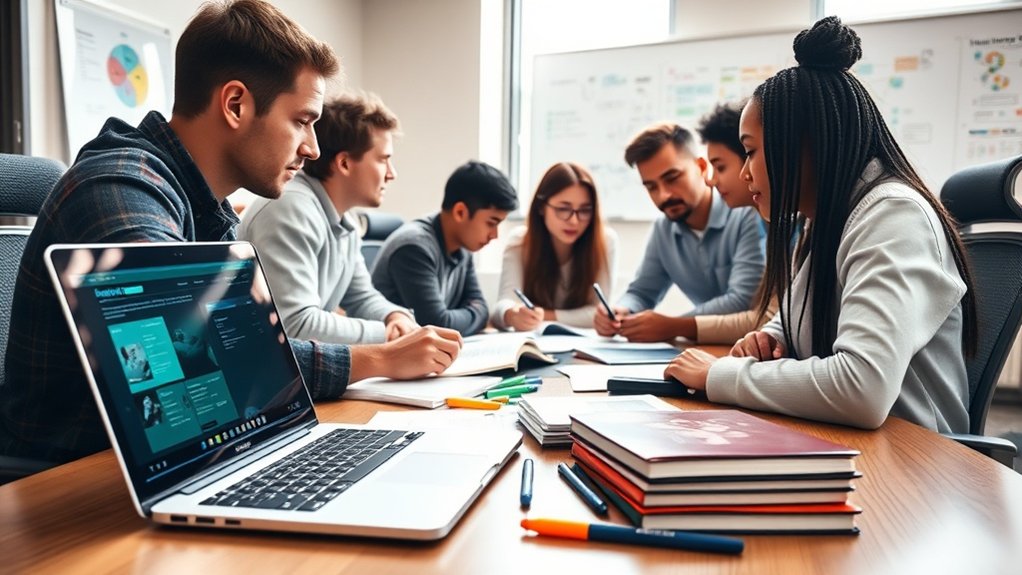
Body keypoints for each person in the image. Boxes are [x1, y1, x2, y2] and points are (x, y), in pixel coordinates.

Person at [0, 0, 461, 466]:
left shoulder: (211, 212)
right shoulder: (119, 187)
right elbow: (197, 357)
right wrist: (380, 359)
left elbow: (247, 343)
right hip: (68, 484)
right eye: (302, 120)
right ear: (236, 104)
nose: (313, 147)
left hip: (178, 455)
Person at [665, 17, 976, 433]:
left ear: (802, 143)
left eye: (751, 152)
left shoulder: (892, 216)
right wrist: (772, 337)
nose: (744, 174)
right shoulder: (824, 221)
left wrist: (718, 376)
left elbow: (861, 388)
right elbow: (800, 316)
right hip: (850, 446)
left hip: (915, 466)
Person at [238, 93, 417, 344]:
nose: (392, 174)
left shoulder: (345, 222)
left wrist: (394, 316)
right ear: (344, 163)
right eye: (383, 160)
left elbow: (361, 296)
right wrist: (387, 335)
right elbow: (296, 325)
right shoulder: (291, 208)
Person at [593, 123, 765, 342]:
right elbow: (642, 292)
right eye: (651, 186)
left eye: (672, 178)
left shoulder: (746, 213)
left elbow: (743, 300)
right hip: (709, 348)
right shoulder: (663, 229)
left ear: (702, 167)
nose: (663, 195)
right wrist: (621, 311)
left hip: (749, 346)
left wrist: (671, 326)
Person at [664, 102, 781, 344]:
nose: (711, 180)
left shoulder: (791, 225)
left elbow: (763, 318)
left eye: (720, 167)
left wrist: (672, 326)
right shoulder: (765, 219)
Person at [371, 161, 518, 336]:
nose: (494, 235)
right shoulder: (414, 247)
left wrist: (468, 314)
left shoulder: (464, 247)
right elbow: (435, 324)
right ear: (460, 212)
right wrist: (472, 313)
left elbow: (483, 308)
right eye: (491, 223)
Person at [490, 162, 618, 331]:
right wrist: (512, 314)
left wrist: (545, 315)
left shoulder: (605, 241)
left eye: (585, 210)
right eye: (563, 209)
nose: (574, 220)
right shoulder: (519, 242)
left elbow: (599, 313)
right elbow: (502, 306)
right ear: (542, 207)